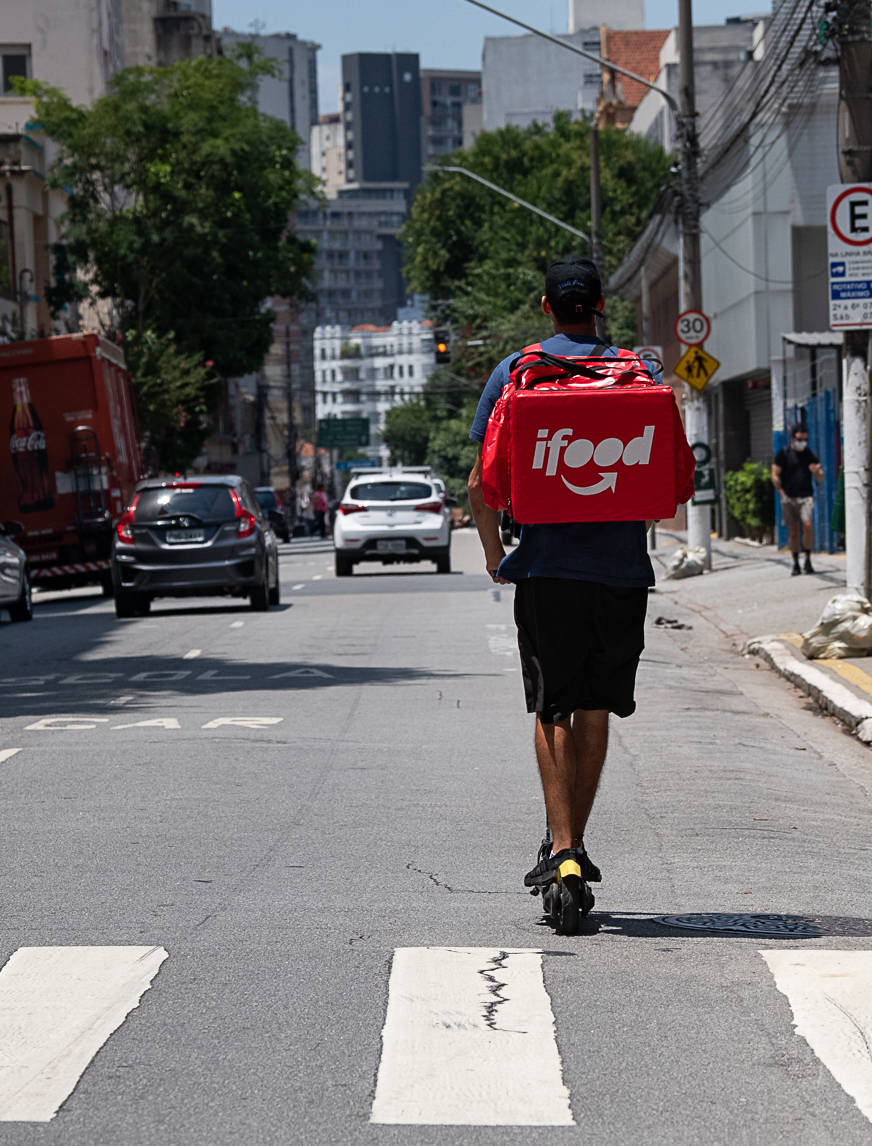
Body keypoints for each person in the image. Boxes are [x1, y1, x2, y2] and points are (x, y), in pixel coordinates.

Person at [467, 254, 657, 893]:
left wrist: (495, 555)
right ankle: (572, 845)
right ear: (600, 305)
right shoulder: (638, 373)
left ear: (546, 307)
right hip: (622, 575)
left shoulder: (516, 372)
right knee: (596, 710)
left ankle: (564, 850)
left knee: (554, 708)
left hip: (547, 572)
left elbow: (481, 484)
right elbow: (665, 482)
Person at [772, 425, 824, 575]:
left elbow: (820, 477)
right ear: (793, 438)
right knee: (793, 531)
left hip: (806, 496)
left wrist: (816, 472)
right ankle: (795, 563)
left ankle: (807, 559)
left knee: (807, 525)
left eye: (805, 439)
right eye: (799, 439)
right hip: (788, 497)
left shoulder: (809, 454)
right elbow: (775, 473)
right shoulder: (784, 454)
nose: (802, 442)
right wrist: (781, 492)